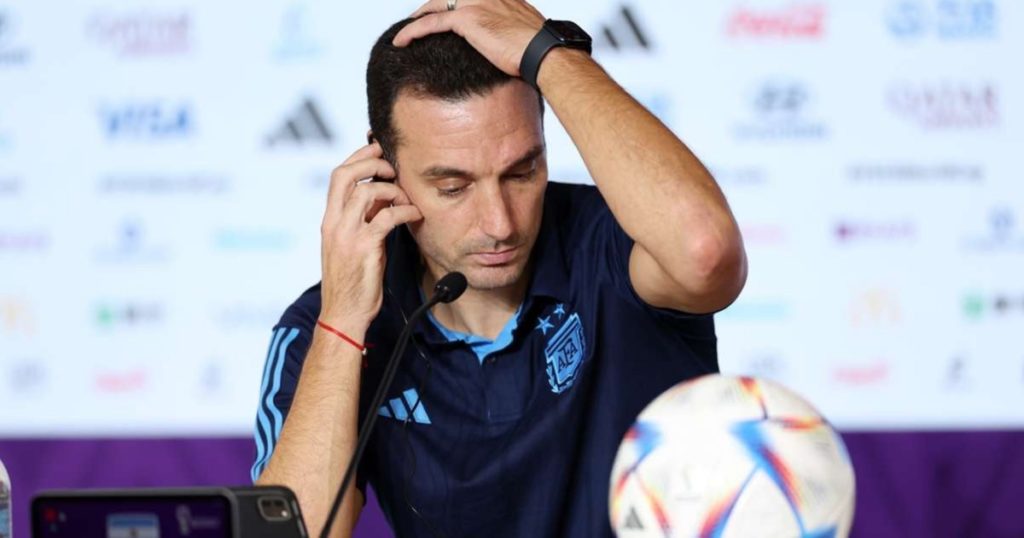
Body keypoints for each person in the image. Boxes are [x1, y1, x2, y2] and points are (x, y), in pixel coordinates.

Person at [250, 1, 747, 536]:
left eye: (521, 172)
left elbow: (706, 254)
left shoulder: (619, 243)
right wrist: (344, 322)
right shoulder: (324, 329)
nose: (500, 224)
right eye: (453, 187)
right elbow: (295, 533)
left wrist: (549, 55)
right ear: (382, 170)